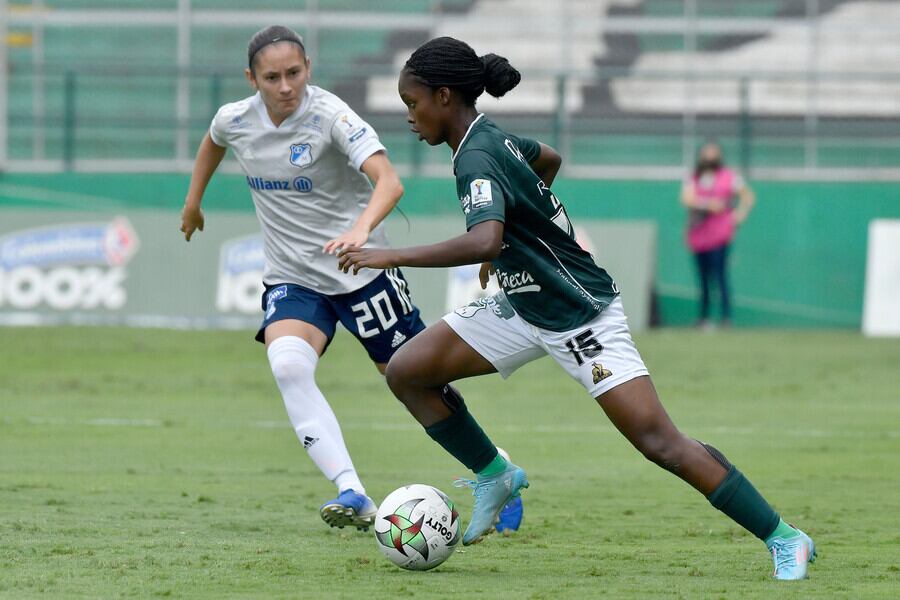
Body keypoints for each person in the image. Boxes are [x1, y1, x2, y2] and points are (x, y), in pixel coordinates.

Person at [337, 36, 815, 579]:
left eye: (412, 102)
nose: (409, 115)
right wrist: (514, 242)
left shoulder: (476, 153)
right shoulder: (487, 138)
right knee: (407, 372)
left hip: (580, 315)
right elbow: (548, 160)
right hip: (522, 307)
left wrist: (391, 254)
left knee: (660, 442)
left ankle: (785, 537)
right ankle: (495, 473)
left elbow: (483, 241)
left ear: (444, 96)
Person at [180, 26, 425, 531]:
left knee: (414, 380)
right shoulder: (236, 119)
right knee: (288, 367)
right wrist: (192, 201)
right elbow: (212, 142)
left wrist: (361, 229)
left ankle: (494, 466)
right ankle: (351, 490)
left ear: (308, 68)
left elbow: (389, 180)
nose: (285, 86)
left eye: (294, 73)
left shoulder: (331, 116)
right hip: (293, 277)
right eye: (272, 77)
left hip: (359, 273)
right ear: (253, 78)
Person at [681, 142, 755, 328]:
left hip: (720, 235)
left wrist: (739, 215)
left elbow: (748, 196)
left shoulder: (729, 177)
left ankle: (726, 317)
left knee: (721, 276)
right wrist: (708, 204)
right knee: (703, 279)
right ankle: (704, 318)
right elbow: (687, 199)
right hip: (699, 236)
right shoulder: (695, 177)